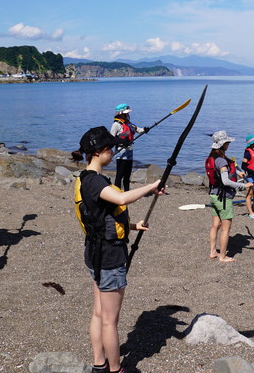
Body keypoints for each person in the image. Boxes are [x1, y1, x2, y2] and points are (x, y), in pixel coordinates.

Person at [73, 126, 163, 373]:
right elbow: (122, 199)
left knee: (99, 313)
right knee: (109, 321)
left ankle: (99, 364)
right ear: (99, 152)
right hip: (108, 257)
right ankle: (115, 369)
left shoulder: (83, 179)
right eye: (109, 148)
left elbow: (101, 216)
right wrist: (152, 186)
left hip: (95, 252)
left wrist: (133, 226)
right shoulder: (93, 181)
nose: (112, 153)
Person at [206, 131, 252, 263]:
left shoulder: (213, 157)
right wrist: (242, 185)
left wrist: (239, 172)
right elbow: (225, 181)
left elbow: (225, 171)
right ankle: (222, 256)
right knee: (226, 229)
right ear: (223, 144)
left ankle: (213, 251)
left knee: (215, 225)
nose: (229, 144)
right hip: (224, 198)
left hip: (214, 195)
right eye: (227, 142)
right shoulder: (221, 160)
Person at [109, 104, 148, 191]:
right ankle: (117, 192)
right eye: (125, 113)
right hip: (121, 153)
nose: (127, 115)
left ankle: (127, 192)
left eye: (127, 113)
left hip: (129, 152)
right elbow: (111, 139)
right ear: (120, 114)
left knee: (127, 176)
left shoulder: (128, 124)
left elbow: (138, 130)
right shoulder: (116, 125)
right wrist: (122, 141)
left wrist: (145, 130)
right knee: (120, 175)